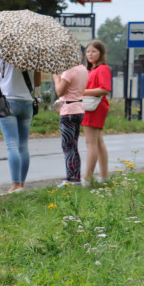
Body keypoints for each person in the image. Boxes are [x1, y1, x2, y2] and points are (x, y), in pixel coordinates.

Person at [0, 56, 42, 194]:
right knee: (23, 146)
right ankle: (21, 184)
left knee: (12, 144)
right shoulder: (32, 53)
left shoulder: (4, 53)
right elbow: (37, 81)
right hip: (27, 101)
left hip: (8, 100)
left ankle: (15, 185)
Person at [53, 57, 88, 186]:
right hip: (79, 108)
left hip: (68, 111)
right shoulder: (82, 69)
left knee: (67, 146)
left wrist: (57, 78)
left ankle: (70, 178)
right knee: (74, 145)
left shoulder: (69, 71)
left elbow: (59, 91)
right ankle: (76, 177)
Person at [82, 40, 111, 183]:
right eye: (88, 51)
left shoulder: (102, 69)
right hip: (93, 105)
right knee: (98, 142)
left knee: (91, 143)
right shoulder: (92, 69)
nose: (90, 54)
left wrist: (82, 92)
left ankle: (88, 178)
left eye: (93, 51)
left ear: (101, 53)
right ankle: (104, 176)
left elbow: (104, 89)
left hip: (95, 106)